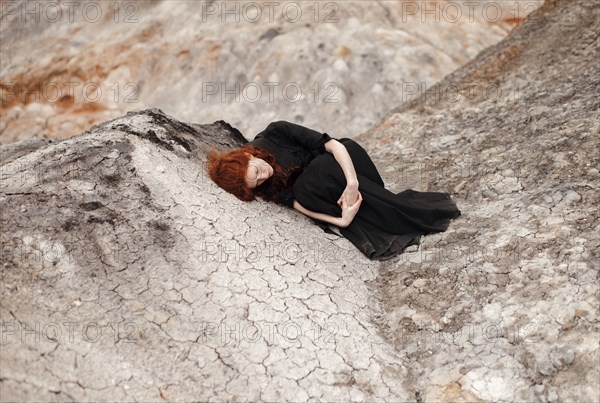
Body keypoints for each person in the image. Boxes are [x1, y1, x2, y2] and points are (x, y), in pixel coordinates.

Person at [207, 120, 461, 261]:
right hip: (328, 193)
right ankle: (368, 216)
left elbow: (334, 146)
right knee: (305, 187)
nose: (265, 176)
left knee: (318, 171)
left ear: (247, 155)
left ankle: (397, 214)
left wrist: (351, 184)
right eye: (258, 182)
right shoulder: (264, 186)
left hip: (349, 165)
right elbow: (295, 204)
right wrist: (341, 220)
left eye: (258, 170)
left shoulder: (277, 132)